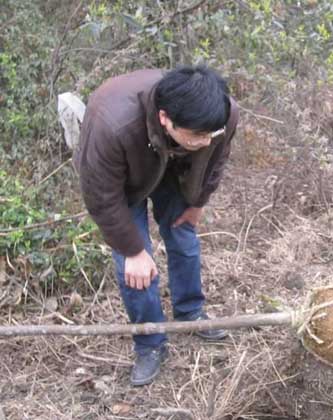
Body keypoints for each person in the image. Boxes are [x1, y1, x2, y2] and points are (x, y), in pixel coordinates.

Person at [74, 66, 239, 386]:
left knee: (183, 236)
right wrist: (133, 249)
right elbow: (101, 197)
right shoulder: (111, 124)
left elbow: (217, 160)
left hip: (175, 169)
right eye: (197, 136)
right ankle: (150, 343)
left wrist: (197, 202)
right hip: (126, 177)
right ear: (165, 118)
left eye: (210, 134)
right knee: (134, 269)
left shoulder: (221, 115)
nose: (206, 141)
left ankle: (190, 313)